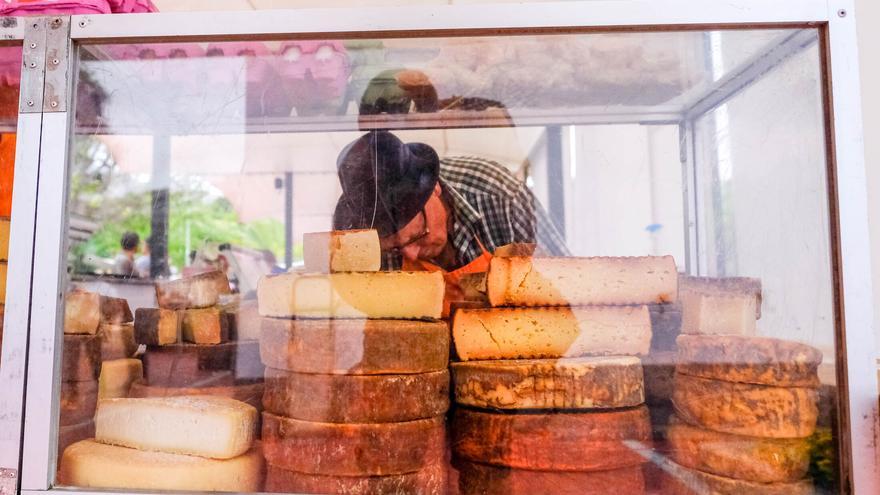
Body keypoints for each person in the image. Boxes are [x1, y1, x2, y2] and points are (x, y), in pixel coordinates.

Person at [333, 130, 569, 312]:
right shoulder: (362, 241)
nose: (412, 255)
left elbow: (567, 284)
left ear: (434, 188)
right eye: (396, 248)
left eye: (418, 235)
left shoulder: (499, 195)